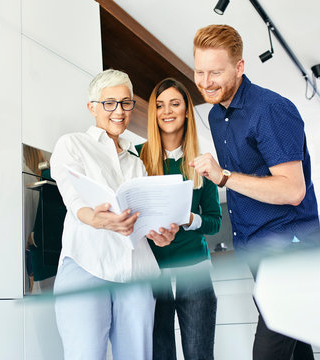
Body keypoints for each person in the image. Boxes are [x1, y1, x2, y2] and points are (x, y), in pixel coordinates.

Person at [189, 25, 320, 360]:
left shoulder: (270, 109)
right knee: (296, 346)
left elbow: (292, 189)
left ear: (239, 67)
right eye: (200, 71)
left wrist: (223, 178)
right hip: (254, 249)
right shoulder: (218, 115)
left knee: (269, 352)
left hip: (289, 248)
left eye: (216, 72)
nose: (205, 82)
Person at [50, 69, 179, 360]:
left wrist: (160, 234)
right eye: (110, 103)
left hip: (136, 272)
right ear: (92, 107)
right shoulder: (72, 144)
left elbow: (144, 221)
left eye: (126, 103)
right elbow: (72, 195)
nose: (119, 111)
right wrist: (92, 217)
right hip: (87, 263)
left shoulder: (136, 162)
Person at [136, 78, 222, 360]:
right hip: (153, 271)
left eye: (175, 104)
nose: (167, 111)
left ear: (186, 111)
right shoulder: (138, 157)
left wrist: (188, 219)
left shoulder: (202, 161)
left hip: (194, 268)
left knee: (199, 354)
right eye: (160, 105)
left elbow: (214, 222)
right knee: (160, 353)